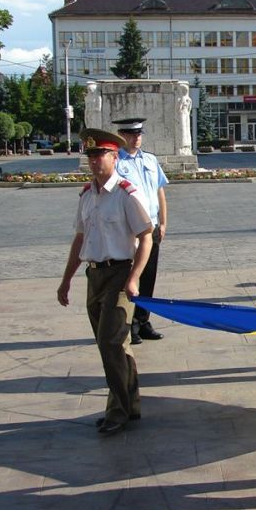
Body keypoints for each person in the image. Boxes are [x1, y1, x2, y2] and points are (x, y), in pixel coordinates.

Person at [57, 128, 153, 436]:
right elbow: (80, 238)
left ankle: (117, 411)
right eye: (91, 156)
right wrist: (66, 280)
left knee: (110, 343)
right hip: (94, 274)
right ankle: (131, 403)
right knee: (116, 344)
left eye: (100, 155)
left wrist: (135, 278)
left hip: (119, 273)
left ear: (115, 157)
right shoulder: (87, 195)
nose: (95, 161)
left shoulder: (127, 193)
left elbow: (145, 236)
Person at [112, 117, 169, 344]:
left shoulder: (151, 160)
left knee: (149, 277)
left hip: (151, 227)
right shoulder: (116, 162)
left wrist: (163, 223)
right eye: (131, 134)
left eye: (139, 134)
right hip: (130, 229)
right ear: (122, 136)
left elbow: (160, 192)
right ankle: (129, 325)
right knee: (131, 276)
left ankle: (144, 322)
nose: (136, 138)